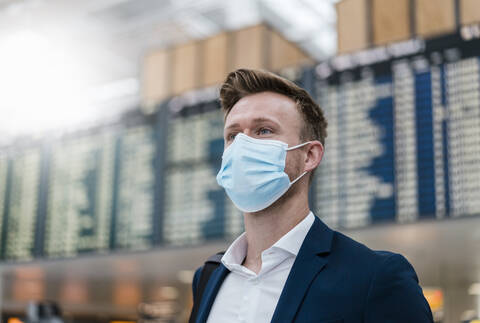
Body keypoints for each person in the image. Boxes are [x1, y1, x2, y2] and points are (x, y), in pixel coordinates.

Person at [189, 68, 434, 323]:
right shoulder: (207, 278)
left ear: (309, 156)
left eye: (263, 130)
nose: (241, 146)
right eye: (232, 135)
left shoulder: (375, 278)